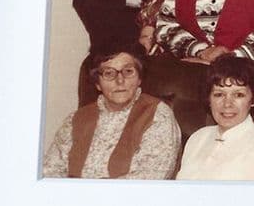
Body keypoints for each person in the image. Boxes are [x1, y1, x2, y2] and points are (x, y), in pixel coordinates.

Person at [40, 45, 182, 179]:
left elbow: (148, 180)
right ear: (97, 83)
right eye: (109, 73)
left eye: (128, 71)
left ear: (139, 78)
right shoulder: (75, 120)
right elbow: (49, 171)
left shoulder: (157, 115)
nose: (120, 80)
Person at [174, 58, 254, 181]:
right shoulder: (198, 137)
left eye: (238, 95)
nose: (227, 104)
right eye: (219, 94)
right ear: (209, 99)